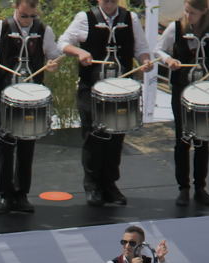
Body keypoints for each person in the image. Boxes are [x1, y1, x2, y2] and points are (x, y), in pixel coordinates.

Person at [0, 0, 62, 214]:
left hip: (31, 97)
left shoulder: (44, 30)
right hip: (5, 94)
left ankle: (22, 194)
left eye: (31, 16)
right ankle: (4, 195)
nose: (28, 20)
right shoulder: (0, 27)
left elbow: (54, 56)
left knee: (27, 146)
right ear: (15, 8)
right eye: (23, 15)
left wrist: (54, 63)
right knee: (5, 145)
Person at [59, 0, 152, 207]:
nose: (109, 3)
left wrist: (145, 61)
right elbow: (63, 43)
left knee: (116, 138)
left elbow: (142, 48)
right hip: (92, 88)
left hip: (120, 90)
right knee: (93, 137)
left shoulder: (130, 18)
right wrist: (79, 52)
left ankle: (110, 184)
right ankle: (92, 185)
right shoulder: (85, 18)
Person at [156, 0, 209, 207]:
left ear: (204, 12)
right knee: (183, 139)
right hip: (182, 90)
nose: (188, 16)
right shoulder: (175, 27)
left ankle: (200, 187)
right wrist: (168, 60)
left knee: (203, 139)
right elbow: (159, 50)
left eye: (193, 13)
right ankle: (183, 188)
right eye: (186, 11)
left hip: (206, 91)